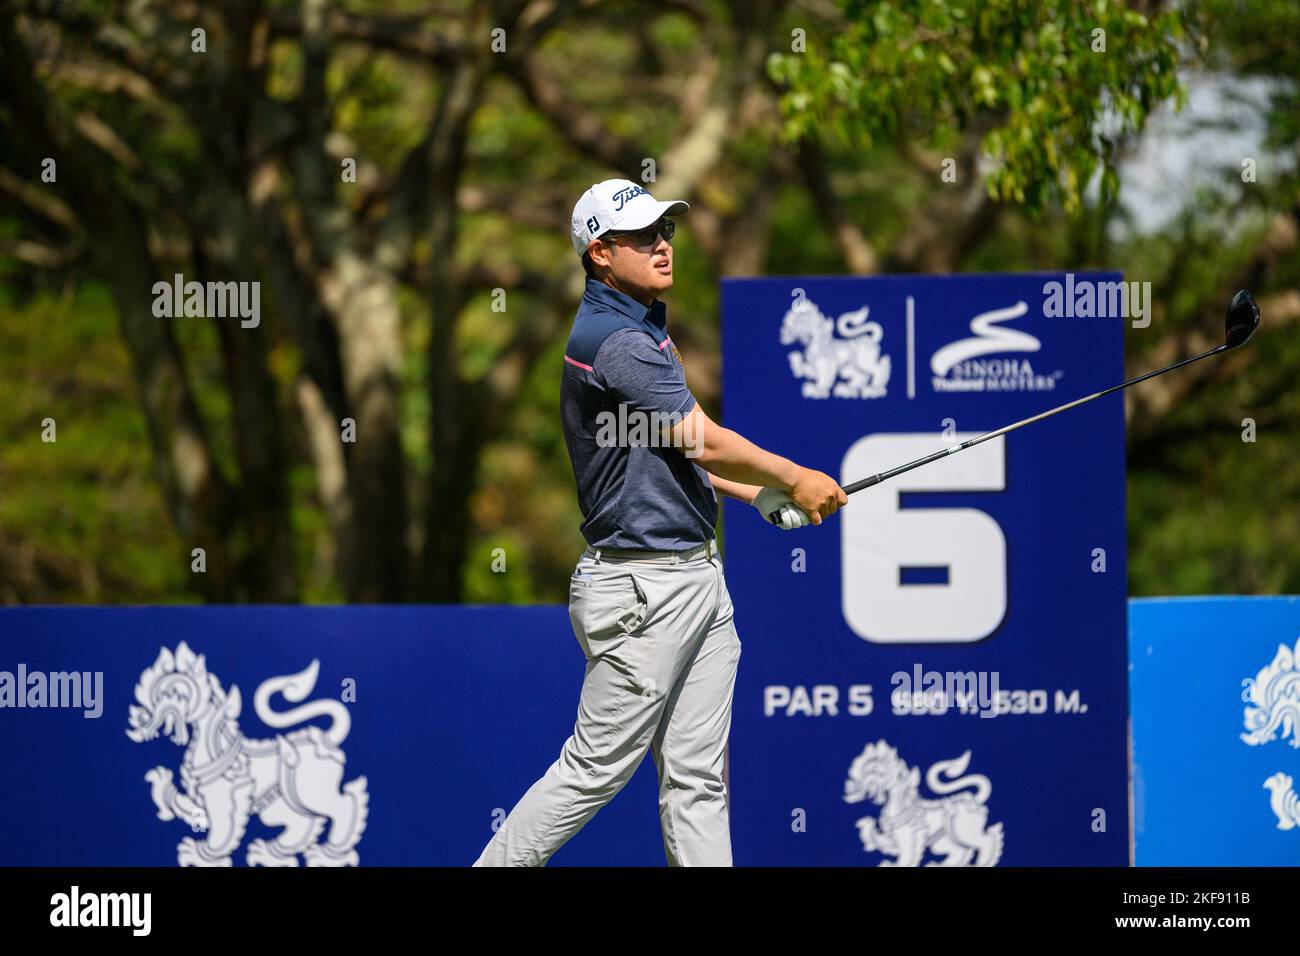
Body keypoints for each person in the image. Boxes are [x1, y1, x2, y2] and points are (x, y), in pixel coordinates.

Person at [472, 179, 846, 867]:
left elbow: (671, 454)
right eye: (644, 236)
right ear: (600, 253)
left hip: (695, 578)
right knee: (594, 770)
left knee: (697, 781)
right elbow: (699, 437)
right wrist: (793, 476)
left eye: (665, 230)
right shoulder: (616, 340)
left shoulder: (640, 323)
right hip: (642, 591)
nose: (663, 244)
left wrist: (749, 495)